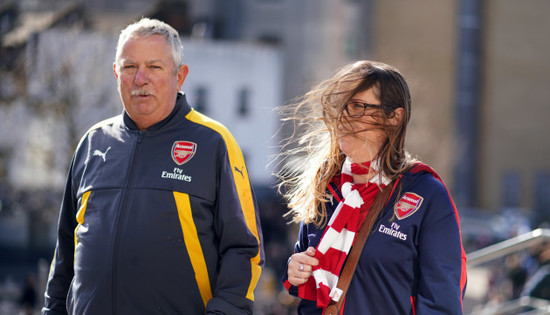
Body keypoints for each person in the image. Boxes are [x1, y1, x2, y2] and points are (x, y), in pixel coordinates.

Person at [42, 18, 264, 315]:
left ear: (180, 76)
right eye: (130, 67)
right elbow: (66, 251)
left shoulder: (214, 143)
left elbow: (244, 249)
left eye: (154, 67)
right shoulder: (91, 143)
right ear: (116, 73)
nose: (140, 79)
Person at [277, 60, 467, 314]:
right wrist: (296, 267)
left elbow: (442, 302)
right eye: (341, 106)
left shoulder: (426, 193)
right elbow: (309, 286)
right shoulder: (326, 186)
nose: (343, 117)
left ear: (394, 117)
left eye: (356, 106)